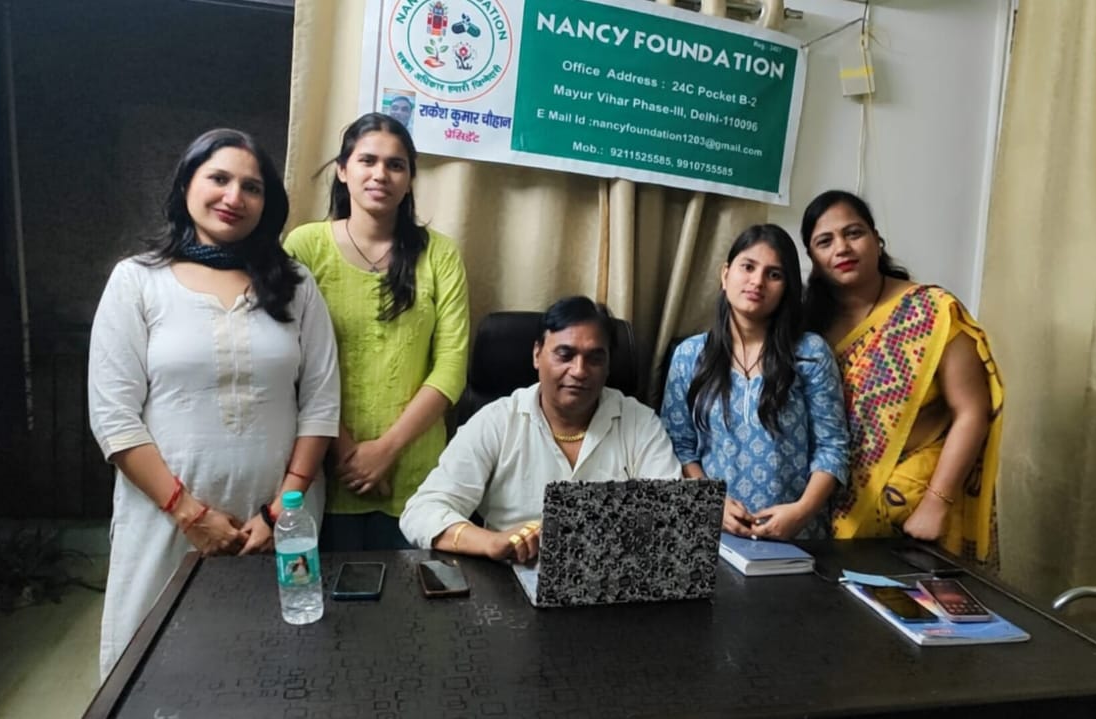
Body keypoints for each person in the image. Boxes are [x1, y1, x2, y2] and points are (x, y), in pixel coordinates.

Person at [88, 129, 340, 678]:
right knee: (157, 671)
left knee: (279, 669)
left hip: (278, 525)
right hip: (165, 524)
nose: (234, 196)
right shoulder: (137, 282)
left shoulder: (295, 287)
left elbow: (321, 403)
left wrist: (283, 511)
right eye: (219, 178)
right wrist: (190, 514)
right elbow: (113, 418)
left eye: (252, 187)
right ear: (186, 186)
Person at [285, 112, 470, 551]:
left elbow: (451, 366)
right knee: (331, 612)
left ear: (409, 179)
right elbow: (291, 363)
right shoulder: (304, 247)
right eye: (367, 160)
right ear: (343, 170)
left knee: (416, 613)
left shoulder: (440, 254)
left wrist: (386, 450)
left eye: (395, 164)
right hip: (322, 469)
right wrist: (347, 453)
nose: (380, 174)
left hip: (416, 472)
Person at [800, 189, 1004, 562]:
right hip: (827, 516)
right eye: (824, 241)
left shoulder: (933, 313)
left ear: (877, 241)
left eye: (854, 233)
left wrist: (935, 504)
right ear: (813, 258)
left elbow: (972, 411)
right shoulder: (808, 328)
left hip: (917, 521)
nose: (841, 248)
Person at [399, 296, 682, 563]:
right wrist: (491, 542)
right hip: (512, 582)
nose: (580, 370)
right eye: (565, 354)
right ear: (537, 354)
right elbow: (421, 512)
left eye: (595, 358)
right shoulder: (497, 422)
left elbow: (672, 515)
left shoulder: (639, 423)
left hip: (613, 585)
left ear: (608, 365)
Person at [661, 225, 850, 541]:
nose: (757, 281)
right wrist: (712, 502)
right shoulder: (689, 356)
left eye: (774, 274)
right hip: (714, 533)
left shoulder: (810, 353)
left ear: (787, 288)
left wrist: (802, 511)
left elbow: (832, 446)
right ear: (725, 275)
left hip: (796, 536)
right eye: (748, 267)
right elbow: (678, 446)